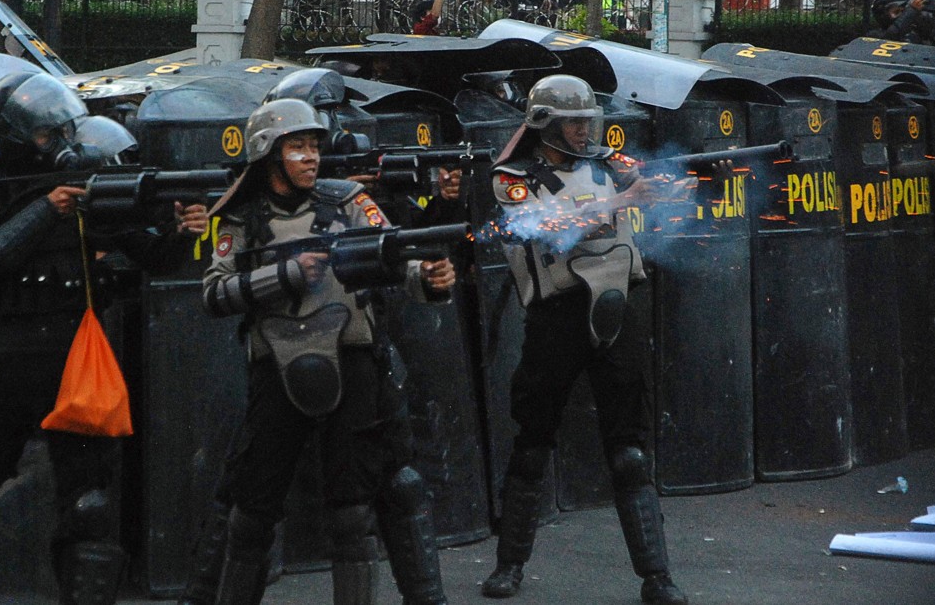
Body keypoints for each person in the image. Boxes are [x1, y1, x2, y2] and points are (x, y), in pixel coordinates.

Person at [0, 72, 208, 605]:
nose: (55, 143)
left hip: (69, 361)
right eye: (45, 135)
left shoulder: (81, 178)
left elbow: (148, 255)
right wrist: (46, 208)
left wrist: (180, 231)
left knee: (91, 508)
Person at [178, 73, 459, 605]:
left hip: (353, 365)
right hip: (276, 371)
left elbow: (392, 259)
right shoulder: (240, 218)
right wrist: (284, 276)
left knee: (354, 515)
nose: (310, 157)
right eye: (297, 147)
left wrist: (429, 279)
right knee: (252, 513)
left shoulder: (348, 201)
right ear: (268, 152)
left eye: (313, 146)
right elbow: (213, 295)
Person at [479, 75, 688, 605]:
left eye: (587, 121)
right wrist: (624, 200)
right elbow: (545, 225)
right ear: (544, 124)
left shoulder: (606, 164)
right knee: (533, 441)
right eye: (573, 122)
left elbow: (654, 193)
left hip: (618, 303)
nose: (583, 130)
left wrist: (661, 189)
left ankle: (657, 577)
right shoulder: (514, 177)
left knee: (631, 453)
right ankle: (509, 566)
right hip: (558, 317)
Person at [868, 0, 935, 45]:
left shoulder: (914, 35)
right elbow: (891, 36)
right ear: (882, 15)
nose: (902, 15)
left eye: (904, 11)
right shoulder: (874, 36)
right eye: (897, 12)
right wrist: (912, 10)